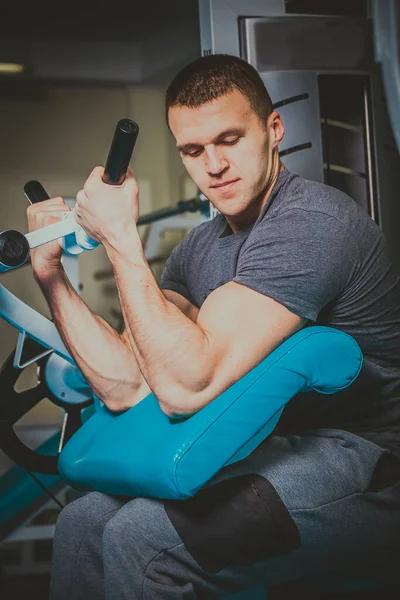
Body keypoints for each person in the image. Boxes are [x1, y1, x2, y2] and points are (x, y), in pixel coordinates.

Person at [28, 54, 400, 599]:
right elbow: (125, 387)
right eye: (194, 150)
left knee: (144, 541)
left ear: (274, 130)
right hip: (271, 446)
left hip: (370, 460)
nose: (214, 165)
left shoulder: (313, 223)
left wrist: (122, 240)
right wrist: (50, 273)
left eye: (230, 138)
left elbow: (184, 389)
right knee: (82, 523)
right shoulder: (198, 250)